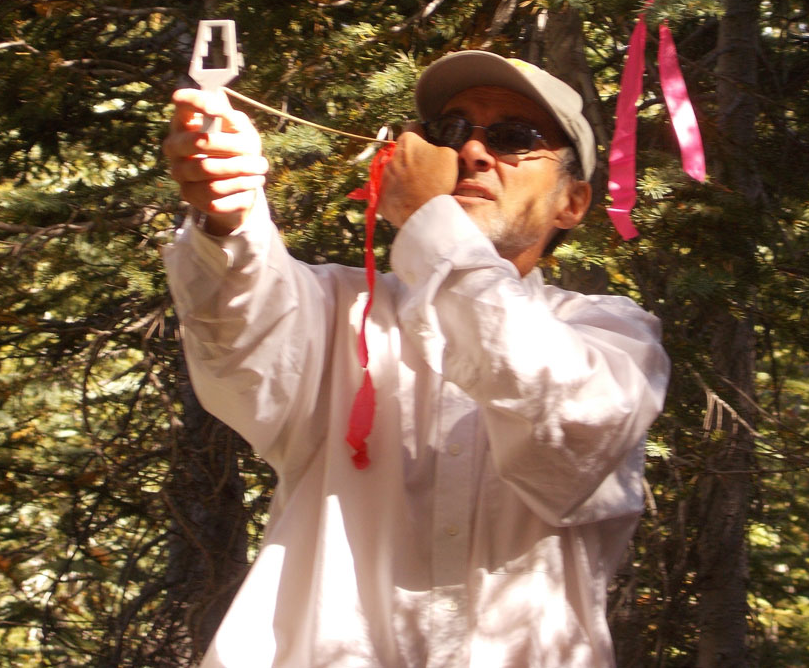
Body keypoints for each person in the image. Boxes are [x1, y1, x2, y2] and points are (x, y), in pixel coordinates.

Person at [163, 50, 669, 667]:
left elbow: (564, 418)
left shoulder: (613, 335)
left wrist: (429, 220)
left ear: (573, 203)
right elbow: (237, 329)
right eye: (450, 132)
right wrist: (228, 213)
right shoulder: (336, 309)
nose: (472, 155)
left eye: (515, 138)